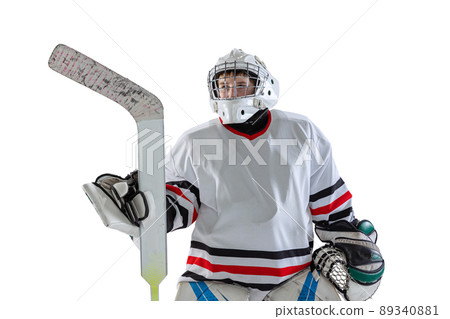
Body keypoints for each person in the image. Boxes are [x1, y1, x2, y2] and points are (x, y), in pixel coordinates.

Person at [83, 49, 384, 301]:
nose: (230, 93)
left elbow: (331, 209)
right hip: (212, 282)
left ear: (265, 87)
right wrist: (146, 209)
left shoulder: (302, 133)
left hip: (292, 280)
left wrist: (356, 244)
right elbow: (180, 206)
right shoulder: (194, 141)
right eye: (224, 87)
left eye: (240, 85)